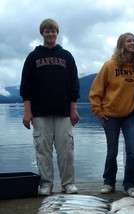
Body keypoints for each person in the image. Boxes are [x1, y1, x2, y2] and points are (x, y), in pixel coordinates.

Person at [20, 18, 80, 196]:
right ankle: (46, 184)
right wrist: (27, 112)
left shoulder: (66, 56)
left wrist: (73, 109)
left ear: (57, 33)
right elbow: (26, 87)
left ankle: (68, 183)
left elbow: (73, 85)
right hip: (40, 113)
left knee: (66, 151)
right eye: (47, 31)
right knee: (43, 151)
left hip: (63, 113)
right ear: (42, 33)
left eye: (53, 31)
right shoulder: (33, 57)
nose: (50, 34)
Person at [89, 33, 134, 197]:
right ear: (122, 44)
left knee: (132, 150)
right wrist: (98, 111)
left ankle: (129, 185)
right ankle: (108, 182)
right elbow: (96, 90)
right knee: (112, 151)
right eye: (129, 41)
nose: (132, 43)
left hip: (130, 115)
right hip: (110, 115)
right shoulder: (109, 65)